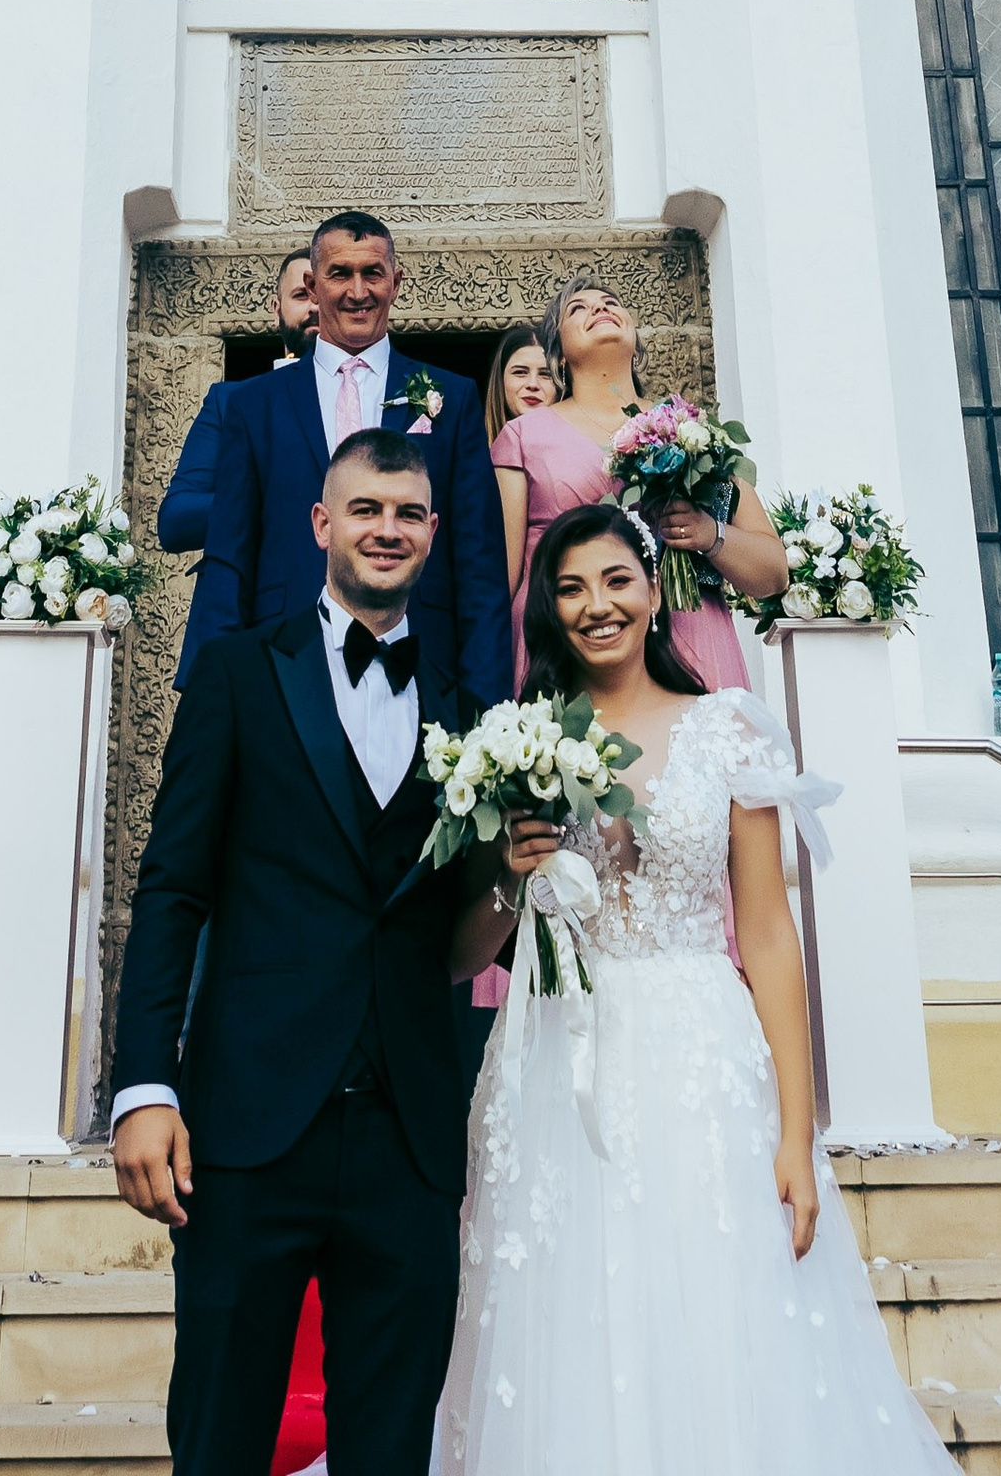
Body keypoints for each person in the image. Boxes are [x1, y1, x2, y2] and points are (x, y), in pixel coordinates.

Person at [438, 500, 945, 1473]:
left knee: (716, 1309)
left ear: (652, 590)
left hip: (697, 1057)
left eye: (616, 580)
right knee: (561, 1321)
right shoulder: (516, 743)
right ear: (546, 607)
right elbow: (463, 956)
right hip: (554, 1063)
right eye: (572, 587)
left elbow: (767, 933)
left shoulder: (727, 730)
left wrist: (797, 1132)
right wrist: (508, 868)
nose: (597, 606)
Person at [112, 429, 493, 1476]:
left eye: (409, 513)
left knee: (389, 1446)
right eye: (366, 509)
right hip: (247, 1127)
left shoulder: (468, 712)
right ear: (322, 524)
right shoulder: (239, 672)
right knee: (223, 1435)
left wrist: (512, 874)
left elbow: (460, 935)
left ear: (431, 537)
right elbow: (174, 887)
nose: (388, 529)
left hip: (409, 1133)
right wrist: (144, 1082)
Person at [191, 211, 511, 714]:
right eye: (340, 274)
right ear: (313, 286)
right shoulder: (254, 405)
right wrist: (210, 689)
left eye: (373, 273)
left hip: (424, 657)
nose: (358, 291)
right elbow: (230, 552)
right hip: (282, 655)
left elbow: (480, 563)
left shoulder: (453, 397)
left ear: (396, 282)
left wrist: (488, 704)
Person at [490, 282, 787, 689]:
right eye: (578, 309)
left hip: (689, 632)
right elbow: (502, 579)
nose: (599, 309)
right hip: (572, 636)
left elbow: (773, 574)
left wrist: (708, 533)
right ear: (556, 352)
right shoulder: (522, 436)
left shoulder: (690, 426)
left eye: (610, 303)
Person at [161, 252, 318, 683]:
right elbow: (175, 521)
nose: (315, 306)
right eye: (302, 294)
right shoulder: (229, 402)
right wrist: (275, 495)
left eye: (325, 293)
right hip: (245, 633)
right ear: (277, 310)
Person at [481, 324, 558, 437]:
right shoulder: (472, 447)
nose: (533, 384)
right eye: (520, 372)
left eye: (545, 374)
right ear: (500, 381)